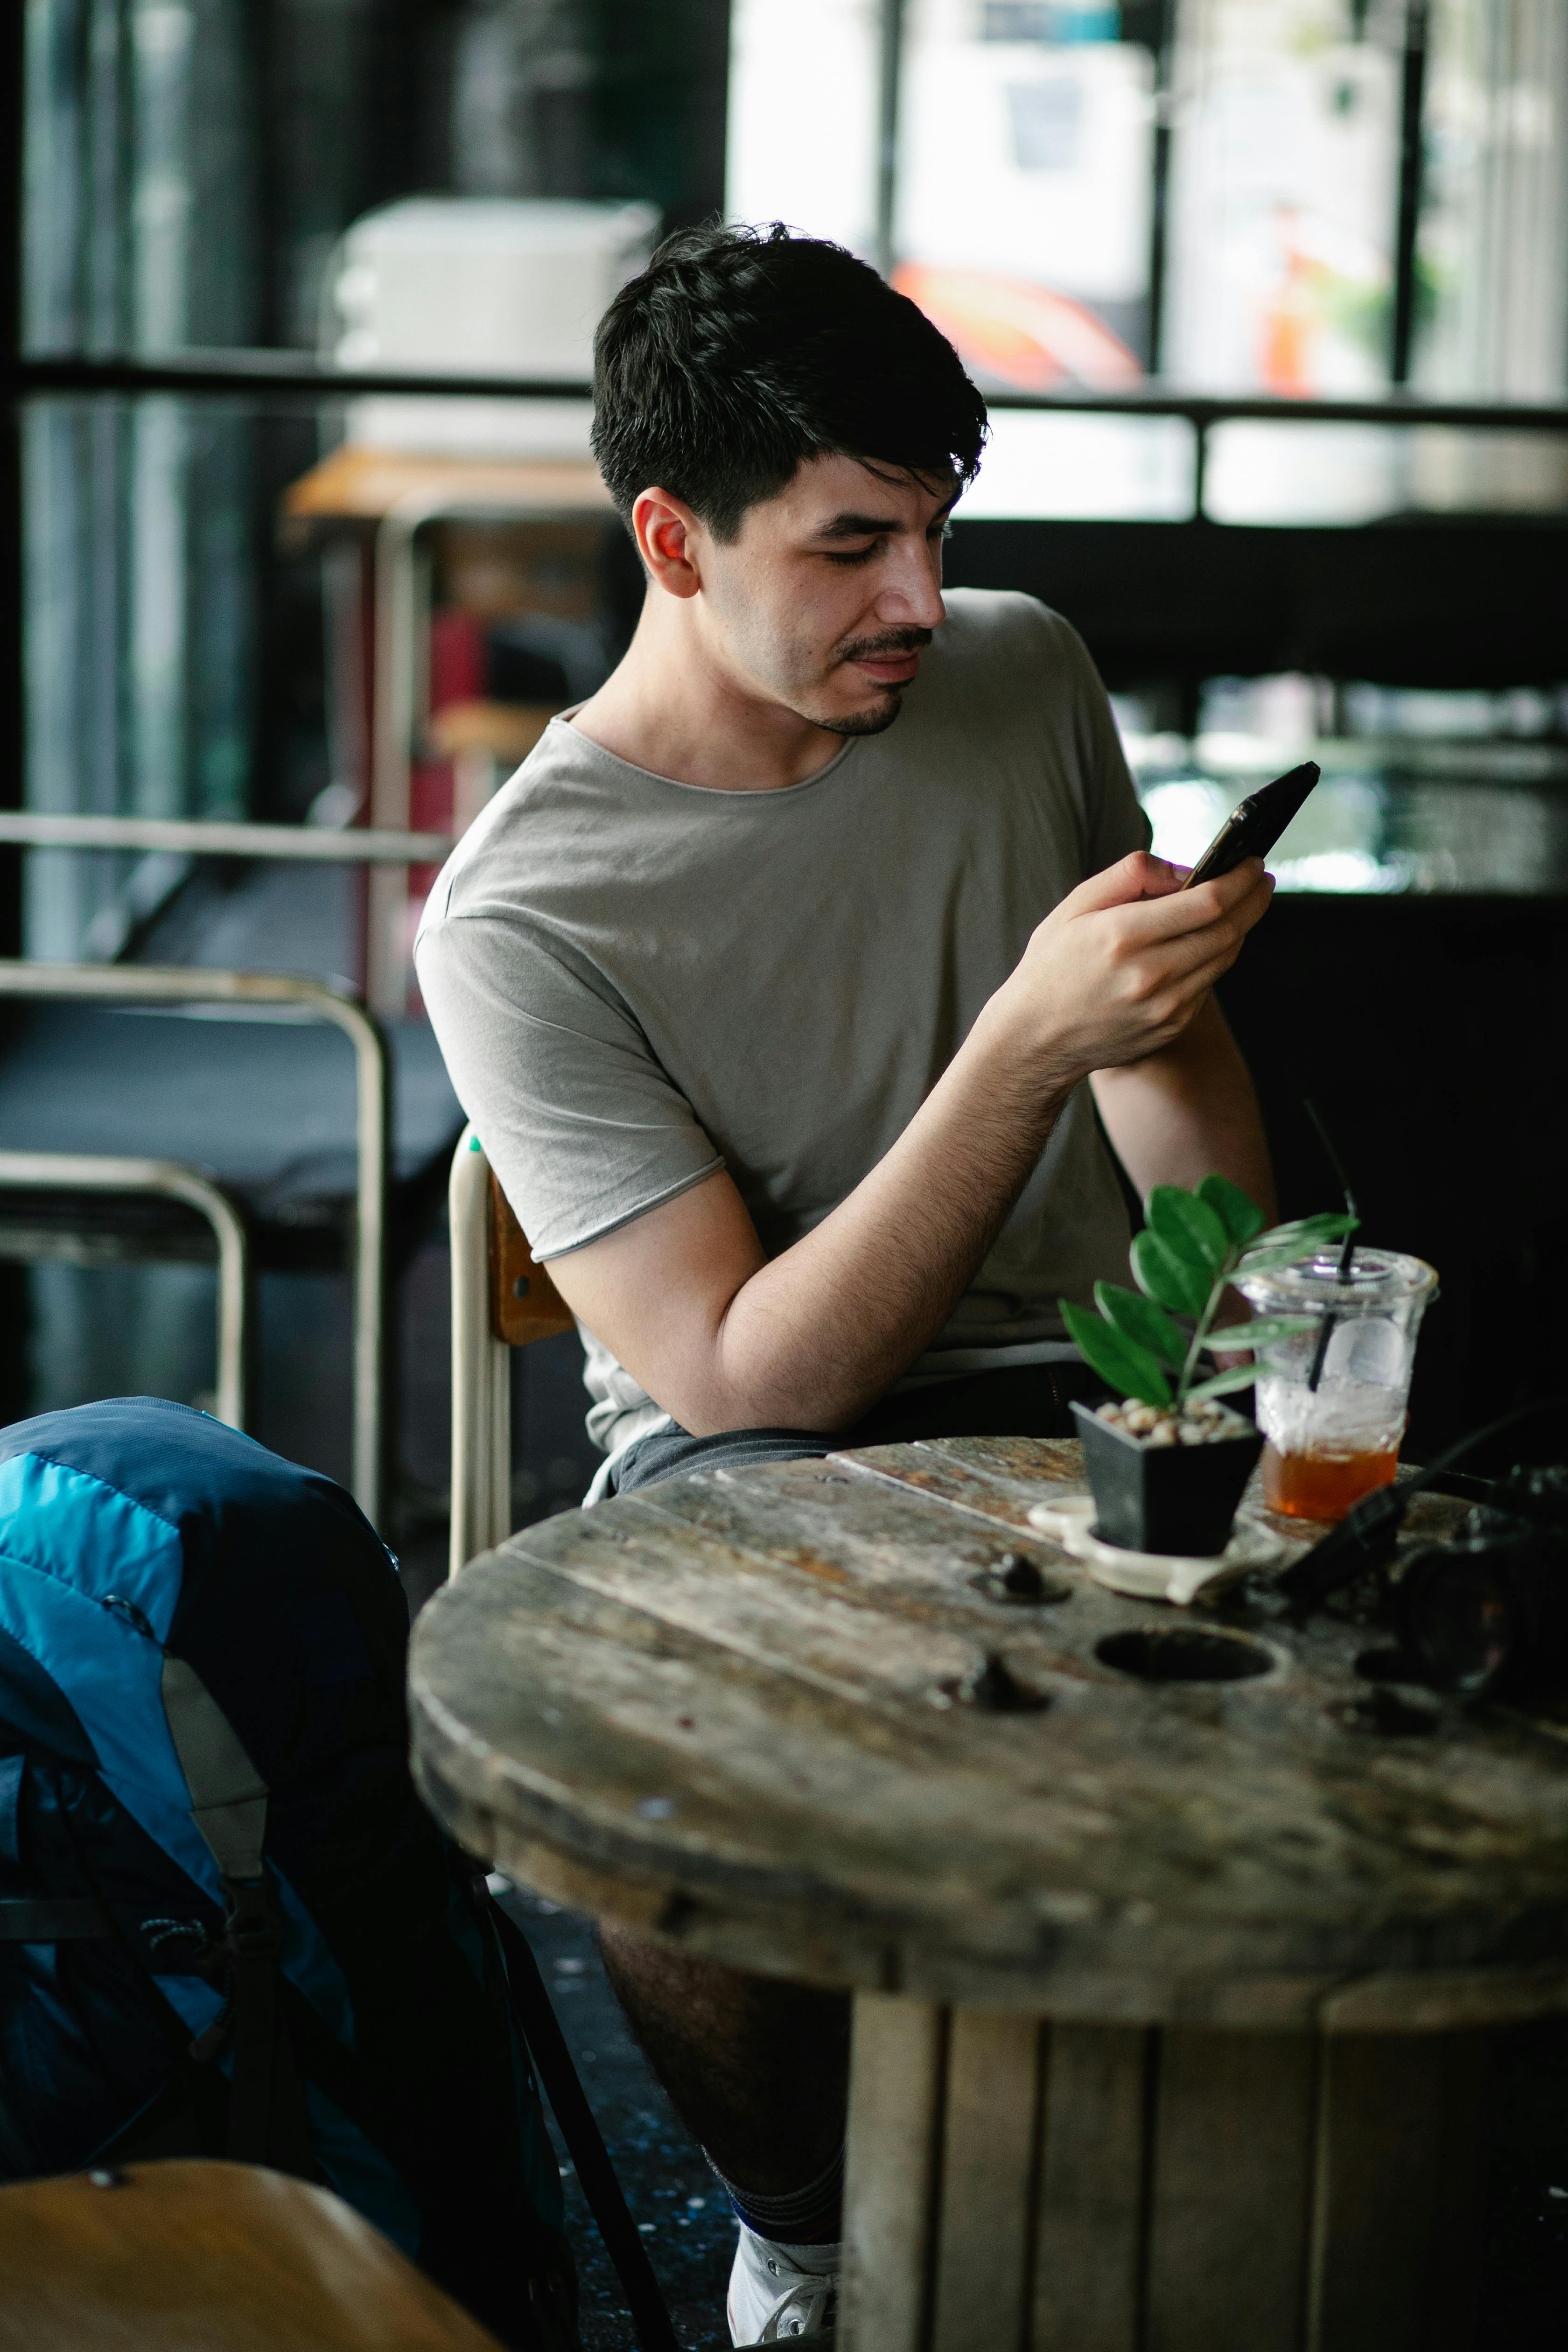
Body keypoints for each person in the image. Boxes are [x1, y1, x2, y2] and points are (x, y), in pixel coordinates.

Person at [417, 222, 1276, 2345]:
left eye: (940, 530)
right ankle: (801, 2240)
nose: (922, 600)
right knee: (659, 1783)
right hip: (767, 1452)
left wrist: (1240, 1318)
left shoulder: (1021, 668)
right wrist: (1023, 1049)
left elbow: (1197, 1170)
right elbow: (731, 1379)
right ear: (671, 539)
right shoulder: (521, 917)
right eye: (855, 546)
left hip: (1112, 1381)